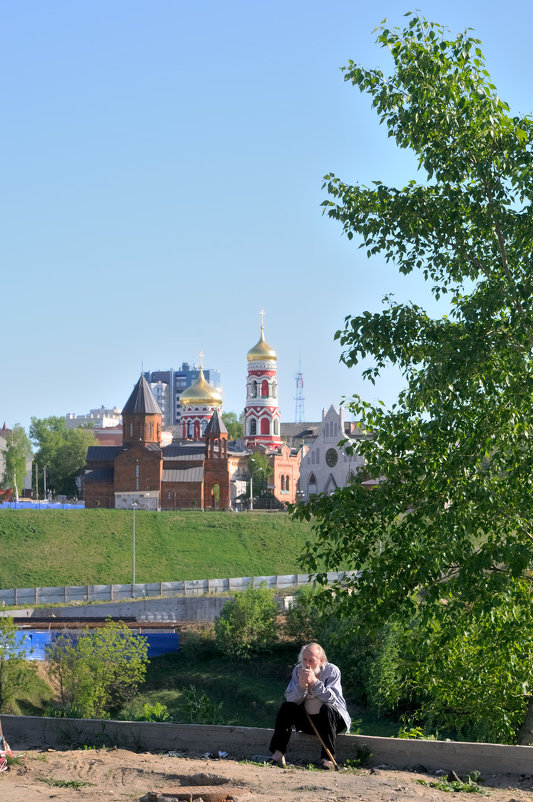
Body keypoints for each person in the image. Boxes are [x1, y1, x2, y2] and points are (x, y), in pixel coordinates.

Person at [269, 642, 351, 769]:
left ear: (321, 660)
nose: (307, 664)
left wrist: (315, 683)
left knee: (327, 708)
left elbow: (332, 698)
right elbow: (290, 698)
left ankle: (327, 759)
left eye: (311, 660)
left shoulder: (332, 671)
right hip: (308, 720)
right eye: (304, 660)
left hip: (332, 721)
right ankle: (278, 754)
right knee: (286, 707)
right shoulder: (298, 670)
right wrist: (301, 688)